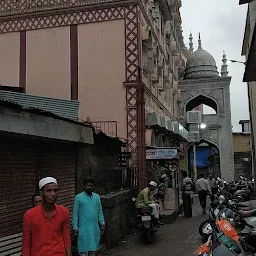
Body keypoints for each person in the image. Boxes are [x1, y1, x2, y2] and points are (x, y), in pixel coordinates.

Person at [22, 177, 72, 256]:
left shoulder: (64, 211)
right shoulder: (29, 215)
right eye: (49, 191)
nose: (53, 194)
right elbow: (26, 244)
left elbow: (67, 238)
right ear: (41, 193)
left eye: (55, 190)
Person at [72, 177, 105, 256]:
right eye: (87, 185)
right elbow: (75, 213)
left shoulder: (96, 197)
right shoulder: (78, 197)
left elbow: (99, 210)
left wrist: (102, 223)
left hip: (94, 228)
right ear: (84, 186)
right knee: (83, 250)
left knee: (93, 249)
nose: (89, 187)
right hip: (83, 228)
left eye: (91, 186)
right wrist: (75, 226)